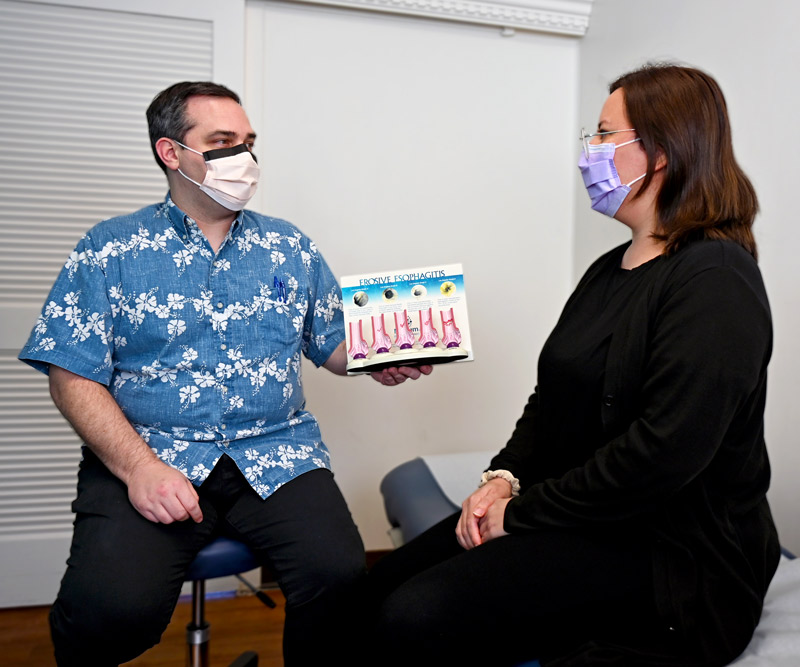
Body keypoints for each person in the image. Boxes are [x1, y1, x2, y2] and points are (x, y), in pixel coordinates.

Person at [368, 63, 780, 667]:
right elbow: (550, 399)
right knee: (372, 590)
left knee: (415, 615)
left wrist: (523, 515)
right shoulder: (607, 270)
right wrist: (501, 478)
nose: (589, 152)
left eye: (605, 136)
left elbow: (661, 456)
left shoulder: (716, 280)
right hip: (583, 513)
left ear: (660, 153)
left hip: (670, 552)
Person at [18, 81, 430, 666]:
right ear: (171, 153)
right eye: (222, 141)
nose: (244, 157)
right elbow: (70, 374)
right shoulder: (109, 249)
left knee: (339, 578)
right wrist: (138, 469)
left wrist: (381, 358)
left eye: (248, 141)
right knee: (110, 614)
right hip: (152, 453)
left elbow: (333, 342)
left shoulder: (290, 247)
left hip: (276, 451)